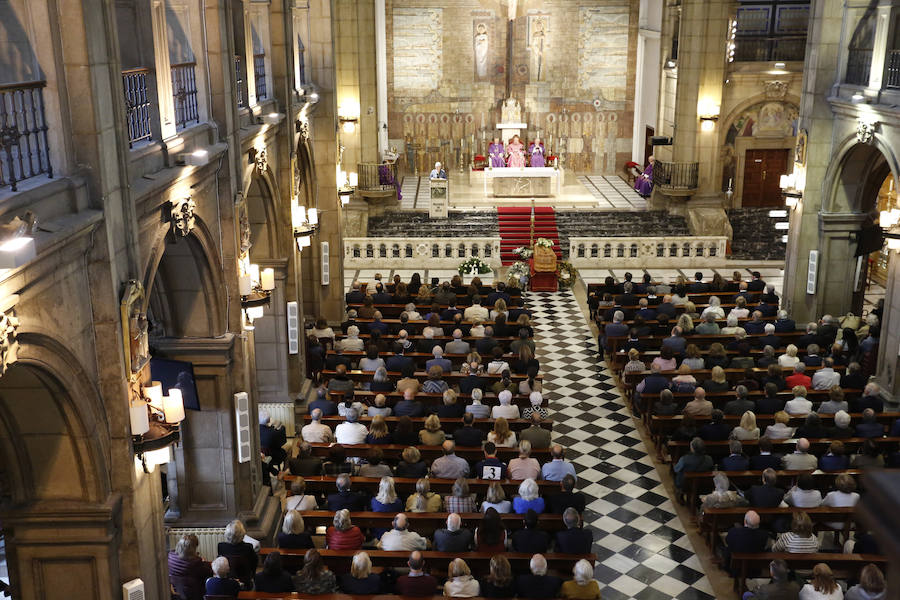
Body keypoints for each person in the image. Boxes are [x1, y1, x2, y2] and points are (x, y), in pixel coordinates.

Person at [168, 534, 212, 600]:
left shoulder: (170, 557)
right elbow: (209, 572)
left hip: (176, 595)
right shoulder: (196, 563)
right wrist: (203, 562)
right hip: (194, 595)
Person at [216, 520, 256, 589]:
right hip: (244, 583)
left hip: (226, 582)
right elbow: (253, 565)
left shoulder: (221, 546)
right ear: (242, 533)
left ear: (227, 534)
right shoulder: (248, 547)